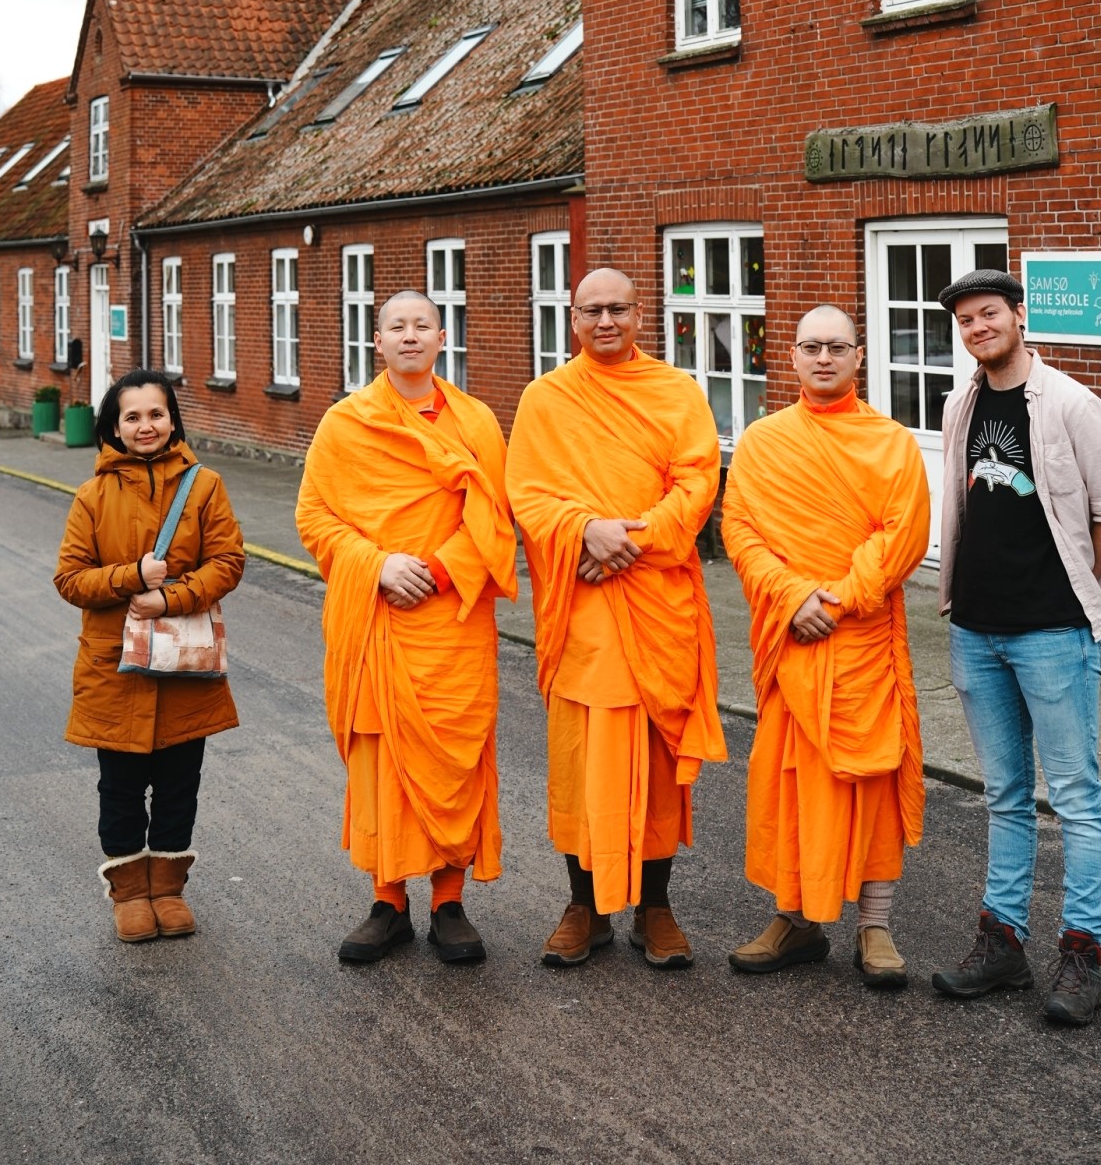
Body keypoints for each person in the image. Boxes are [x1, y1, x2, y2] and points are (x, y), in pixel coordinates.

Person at [929, 268, 1101, 1027]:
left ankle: (1082, 957)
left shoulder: (1073, 403)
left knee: (1076, 798)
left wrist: (1075, 589)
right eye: (965, 320)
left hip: (1052, 634)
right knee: (1005, 796)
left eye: (989, 313)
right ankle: (1002, 945)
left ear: (1019, 316)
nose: (977, 328)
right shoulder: (960, 404)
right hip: (975, 630)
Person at [505, 268, 726, 969]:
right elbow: (527, 493)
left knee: (657, 762)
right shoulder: (546, 398)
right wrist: (584, 529)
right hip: (583, 607)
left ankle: (655, 907)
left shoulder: (675, 391)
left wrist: (629, 541)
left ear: (639, 315)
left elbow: (698, 482)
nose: (605, 321)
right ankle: (586, 906)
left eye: (618, 309)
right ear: (572, 320)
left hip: (656, 600)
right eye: (592, 311)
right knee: (583, 761)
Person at [296, 289, 516, 967]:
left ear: (443, 338)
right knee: (381, 761)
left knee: (455, 757)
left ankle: (449, 901)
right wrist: (378, 565)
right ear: (378, 341)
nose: (411, 336)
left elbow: (495, 519)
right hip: (378, 616)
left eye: (423, 325)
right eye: (397, 326)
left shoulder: (476, 422)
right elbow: (314, 516)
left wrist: (442, 570)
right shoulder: (345, 423)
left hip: (452, 621)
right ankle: (387, 901)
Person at [722, 306, 930, 989]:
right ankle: (796, 920)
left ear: (858, 356)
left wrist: (835, 602)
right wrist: (792, 598)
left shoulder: (891, 442)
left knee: (870, 782)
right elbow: (741, 530)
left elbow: (902, 536)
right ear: (791, 355)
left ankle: (875, 925)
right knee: (789, 782)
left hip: (860, 639)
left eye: (836, 347)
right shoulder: (762, 441)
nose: (822, 358)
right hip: (793, 638)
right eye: (810, 346)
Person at [54, 369, 245, 943]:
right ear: (113, 427)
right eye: (132, 416)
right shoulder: (91, 496)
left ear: (172, 420)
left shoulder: (204, 486)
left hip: (186, 668)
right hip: (113, 669)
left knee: (180, 786)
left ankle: (168, 890)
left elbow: (228, 562)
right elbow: (70, 579)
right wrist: (131, 576)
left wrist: (169, 598)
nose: (145, 426)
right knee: (119, 790)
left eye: (156, 414)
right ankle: (130, 895)